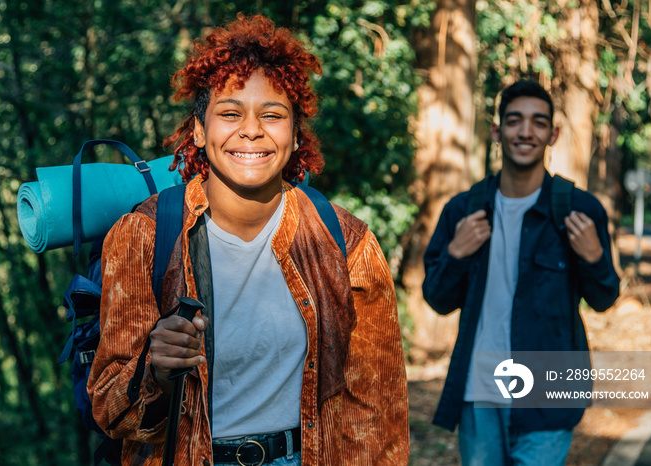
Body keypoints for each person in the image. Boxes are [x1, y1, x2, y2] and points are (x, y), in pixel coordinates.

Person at [87, 14, 409, 466]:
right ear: (199, 130)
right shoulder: (143, 235)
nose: (251, 130)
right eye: (230, 112)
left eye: (272, 115)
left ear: (296, 134)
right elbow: (109, 408)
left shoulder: (347, 244)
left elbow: (376, 412)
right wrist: (154, 372)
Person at [422, 79, 620, 465]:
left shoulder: (579, 210)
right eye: (514, 121)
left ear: (553, 134)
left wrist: (594, 257)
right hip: (479, 393)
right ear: (497, 131)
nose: (526, 131)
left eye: (538, 123)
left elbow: (603, 299)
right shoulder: (463, 210)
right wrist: (457, 253)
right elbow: (438, 300)